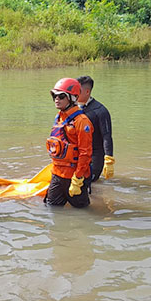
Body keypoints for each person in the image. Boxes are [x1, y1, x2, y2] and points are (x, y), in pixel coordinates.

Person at [45, 78, 93, 208]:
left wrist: (78, 178)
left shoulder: (82, 122)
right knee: (51, 208)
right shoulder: (59, 117)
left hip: (74, 177)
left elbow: (85, 153)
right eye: (54, 96)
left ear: (73, 98)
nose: (57, 99)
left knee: (83, 212)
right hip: (57, 174)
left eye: (61, 96)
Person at [76, 76, 114, 189]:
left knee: (88, 184)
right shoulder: (73, 108)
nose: (74, 94)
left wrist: (109, 159)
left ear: (87, 92)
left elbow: (107, 136)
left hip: (95, 155)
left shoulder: (100, 111)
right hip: (79, 154)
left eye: (78, 91)